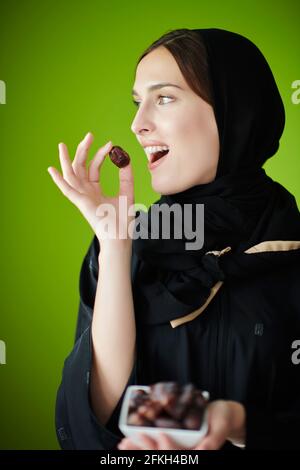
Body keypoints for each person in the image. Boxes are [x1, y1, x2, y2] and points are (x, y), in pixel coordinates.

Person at [48, 28, 300, 450]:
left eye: (163, 98)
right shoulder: (128, 245)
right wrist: (114, 246)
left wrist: (239, 422)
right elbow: (94, 421)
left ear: (233, 111)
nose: (137, 123)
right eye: (137, 102)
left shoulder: (291, 250)